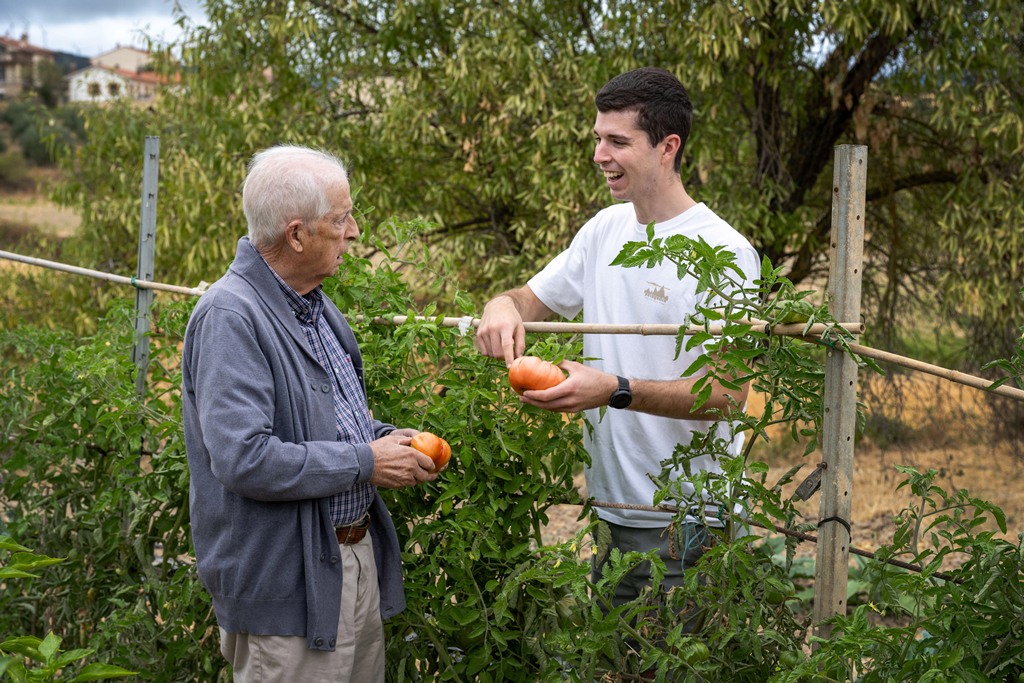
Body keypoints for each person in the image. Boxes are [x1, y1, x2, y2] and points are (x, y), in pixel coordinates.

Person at [475, 67, 760, 608]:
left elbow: (729, 395)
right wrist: (499, 306)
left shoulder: (725, 252)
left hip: (690, 522)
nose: (600, 155)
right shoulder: (604, 230)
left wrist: (615, 389)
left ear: (667, 147)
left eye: (618, 141)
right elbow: (525, 300)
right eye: (598, 139)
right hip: (610, 517)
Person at [182, 144, 438, 683]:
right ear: (296, 235)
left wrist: (390, 441)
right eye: (341, 218)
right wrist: (366, 462)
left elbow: (333, 423)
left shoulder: (314, 306)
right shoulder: (232, 316)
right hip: (287, 584)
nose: (355, 231)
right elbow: (244, 459)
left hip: (347, 557)